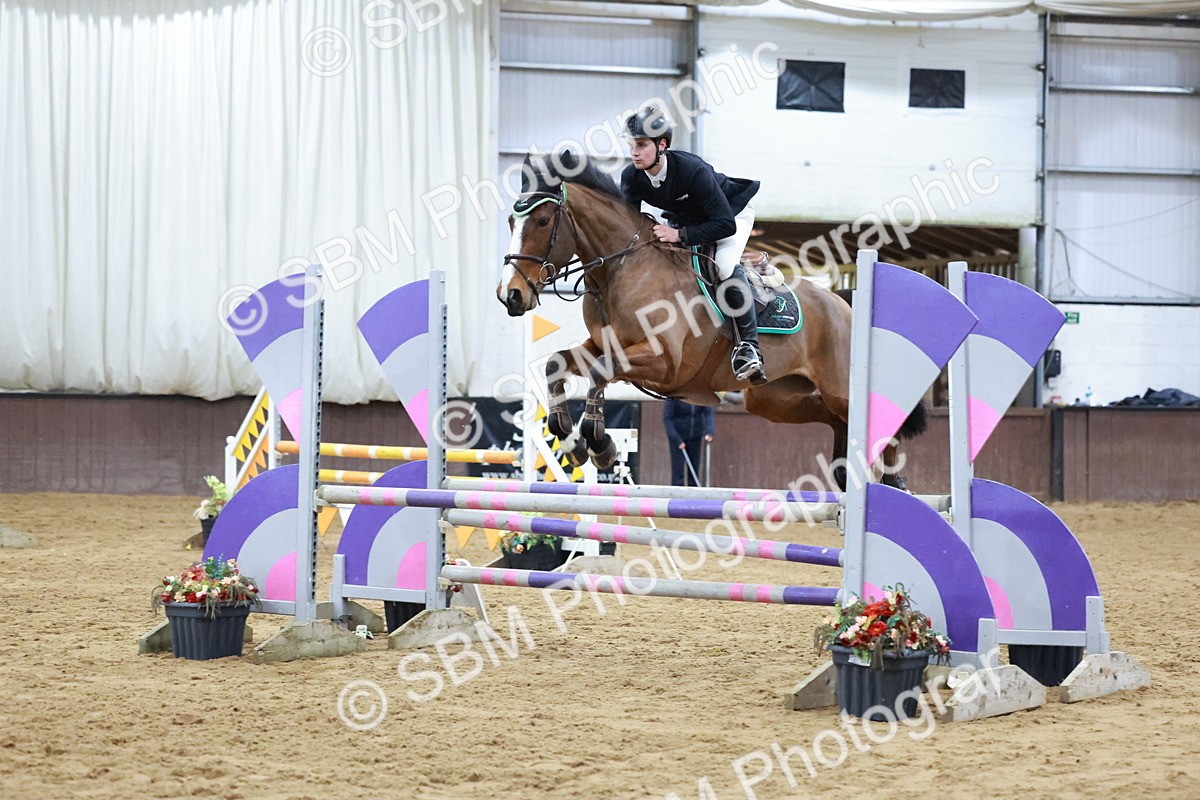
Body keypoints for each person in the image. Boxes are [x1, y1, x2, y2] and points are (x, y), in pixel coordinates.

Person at [620, 106, 766, 385]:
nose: (634, 153)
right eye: (631, 146)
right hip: (688, 219)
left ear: (662, 145)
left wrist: (678, 235)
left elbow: (725, 225)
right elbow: (628, 225)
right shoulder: (631, 176)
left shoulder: (691, 170)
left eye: (641, 145)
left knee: (723, 266)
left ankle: (749, 347)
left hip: (731, 214)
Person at [663, 398, 715, 487]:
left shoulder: (700, 395)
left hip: (695, 437)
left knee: (694, 471)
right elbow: (667, 418)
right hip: (678, 438)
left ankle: (693, 494)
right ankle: (677, 493)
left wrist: (709, 431)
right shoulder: (674, 396)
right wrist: (677, 439)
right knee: (678, 473)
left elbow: (708, 412)